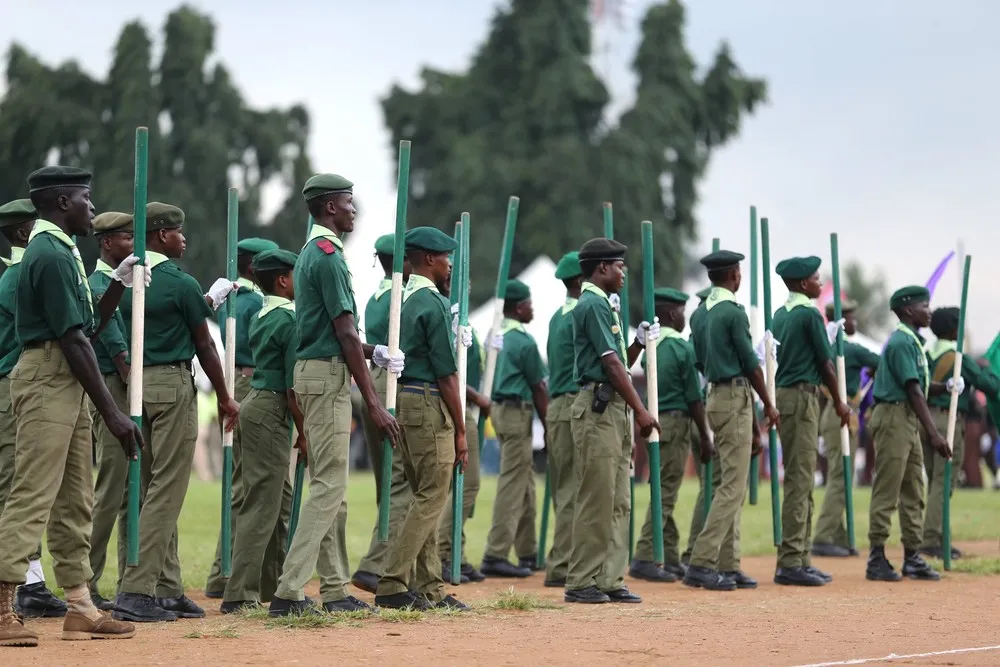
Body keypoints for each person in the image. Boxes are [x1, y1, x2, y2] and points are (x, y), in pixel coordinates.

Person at [0, 166, 143, 646]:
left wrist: (118, 284)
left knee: (75, 496)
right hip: (48, 377)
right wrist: (114, 413)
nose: (93, 208)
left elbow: (87, 330)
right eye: (87, 198)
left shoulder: (61, 251)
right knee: (33, 494)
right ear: (63, 203)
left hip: (63, 379)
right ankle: (1, 606)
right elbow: (74, 342)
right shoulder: (50, 254)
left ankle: (80, 605)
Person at [269, 174, 402, 616]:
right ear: (330, 208)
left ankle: (334, 588)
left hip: (317, 371)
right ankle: (288, 592)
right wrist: (376, 403)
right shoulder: (327, 257)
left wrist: (374, 352)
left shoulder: (314, 252)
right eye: (348, 202)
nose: (354, 210)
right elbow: (343, 332)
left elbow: (338, 332)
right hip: (326, 375)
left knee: (334, 490)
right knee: (329, 487)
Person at [114, 202, 241, 623]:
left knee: (147, 487)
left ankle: (166, 588)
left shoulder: (126, 278)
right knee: (166, 491)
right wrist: (225, 396)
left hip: (135, 386)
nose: (183, 238)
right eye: (178, 231)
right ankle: (135, 589)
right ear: (161, 236)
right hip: (170, 385)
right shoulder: (179, 281)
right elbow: (204, 344)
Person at [374, 226, 469, 611]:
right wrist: (461, 429)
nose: (449, 265)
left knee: (422, 495)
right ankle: (393, 580)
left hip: (408, 399)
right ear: (429, 259)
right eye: (445, 258)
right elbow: (447, 374)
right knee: (433, 496)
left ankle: (429, 586)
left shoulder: (406, 299)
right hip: (430, 401)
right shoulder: (432, 303)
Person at [564, 238, 660, 605]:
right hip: (599, 409)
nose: (623, 274)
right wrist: (641, 410)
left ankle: (608, 577)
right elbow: (611, 365)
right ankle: (581, 579)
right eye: (619, 267)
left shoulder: (605, 306)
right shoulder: (591, 304)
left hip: (613, 408)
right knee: (596, 497)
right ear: (602, 268)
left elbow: (621, 360)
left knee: (619, 499)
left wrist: (636, 342)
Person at [683, 250, 778, 592]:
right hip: (734, 395)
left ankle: (728, 562)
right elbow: (751, 365)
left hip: (714, 395)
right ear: (734, 275)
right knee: (732, 487)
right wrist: (768, 402)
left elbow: (697, 360)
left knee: (727, 481)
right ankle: (703, 561)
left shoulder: (699, 314)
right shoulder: (733, 313)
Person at [221, 249, 302, 613]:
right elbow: (292, 387)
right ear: (284, 280)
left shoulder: (263, 313)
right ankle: (239, 593)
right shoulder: (288, 320)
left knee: (278, 502)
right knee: (262, 504)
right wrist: (306, 431)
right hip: (271, 408)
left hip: (258, 404)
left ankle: (273, 584)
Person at [0, 198, 67, 620]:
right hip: (15, 380)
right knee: (19, 485)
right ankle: (26, 581)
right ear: (26, 232)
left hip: (11, 381)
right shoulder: (20, 275)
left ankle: (31, 578)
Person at [205, 237, 279, 599]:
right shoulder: (253, 302)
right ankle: (229, 573)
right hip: (253, 383)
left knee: (240, 486)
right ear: (255, 268)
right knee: (251, 487)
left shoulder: (234, 299)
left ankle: (224, 571)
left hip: (238, 381)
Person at [770, 256, 850, 587]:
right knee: (801, 479)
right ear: (804, 284)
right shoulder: (808, 314)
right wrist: (841, 402)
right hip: (802, 397)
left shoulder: (781, 314)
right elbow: (825, 363)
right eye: (817, 278)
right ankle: (791, 560)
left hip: (787, 394)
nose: (820, 283)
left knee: (803, 477)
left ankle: (801, 556)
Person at [630, 288, 714, 583]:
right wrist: (705, 434)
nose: (684, 317)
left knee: (660, 488)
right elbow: (694, 398)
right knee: (665, 493)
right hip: (676, 422)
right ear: (669, 314)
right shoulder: (680, 347)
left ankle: (669, 554)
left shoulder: (653, 347)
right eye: (680, 311)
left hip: (655, 421)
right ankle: (644, 555)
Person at [866, 285, 950, 582]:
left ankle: (912, 555)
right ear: (907, 311)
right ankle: (876, 555)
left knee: (915, 486)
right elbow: (913, 390)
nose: (929, 311)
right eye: (923, 306)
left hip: (906, 418)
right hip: (893, 416)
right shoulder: (902, 342)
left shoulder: (913, 341)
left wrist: (947, 387)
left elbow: (920, 386)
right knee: (888, 487)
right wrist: (934, 435)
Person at [352, 233, 414, 593]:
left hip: (371, 383)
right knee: (402, 481)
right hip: (391, 385)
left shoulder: (376, 295)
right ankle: (376, 564)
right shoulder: (400, 295)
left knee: (386, 481)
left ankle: (387, 556)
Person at [86, 211, 138, 610]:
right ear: (106, 243)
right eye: (125, 237)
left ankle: (124, 577)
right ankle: (85, 581)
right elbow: (116, 350)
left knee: (125, 491)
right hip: (113, 390)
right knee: (109, 490)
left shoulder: (124, 281)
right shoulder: (101, 284)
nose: (132, 243)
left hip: (123, 389)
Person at [920, 306, 1000, 560]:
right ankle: (932, 539)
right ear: (954, 329)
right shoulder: (958, 358)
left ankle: (937, 536)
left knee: (935, 479)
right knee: (943, 482)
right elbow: (989, 385)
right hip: (947, 420)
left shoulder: (926, 352)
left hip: (924, 419)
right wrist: (987, 368)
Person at [481, 279, 547, 577]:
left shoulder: (493, 335)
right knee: (513, 483)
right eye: (530, 303)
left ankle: (527, 550)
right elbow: (539, 387)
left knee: (524, 481)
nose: (532, 309)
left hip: (498, 409)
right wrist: (548, 426)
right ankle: (496, 553)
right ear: (519, 307)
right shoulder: (523, 341)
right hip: (517, 412)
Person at [812, 301, 880, 558]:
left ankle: (838, 535)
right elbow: (881, 360)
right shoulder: (848, 349)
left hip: (832, 413)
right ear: (841, 322)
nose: (855, 324)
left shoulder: (826, 347)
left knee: (839, 476)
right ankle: (823, 535)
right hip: (841, 414)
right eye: (851, 319)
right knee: (841, 478)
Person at [438, 300, 494, 584]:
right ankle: (444, 552)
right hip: (454, 404)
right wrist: (476, 397)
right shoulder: (442, 313)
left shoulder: (459, 315)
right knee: (466, 483)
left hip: (461, 403)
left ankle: (454, 552)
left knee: (458, 486)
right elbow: (446, 370)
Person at [541, 252, 582, 588]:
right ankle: (565, 563)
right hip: (572, 403)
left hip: (558, 406)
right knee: (574, 488)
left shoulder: (557, 316)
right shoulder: (581, 314)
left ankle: (562, 560)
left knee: (563, 488)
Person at [681, 285, 721, 568]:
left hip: (702, 412)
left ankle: (695, 549)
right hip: (705, 413)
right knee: (715, 486)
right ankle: (698, 551)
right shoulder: (705, 341)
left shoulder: (695, 337)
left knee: (710, 487)